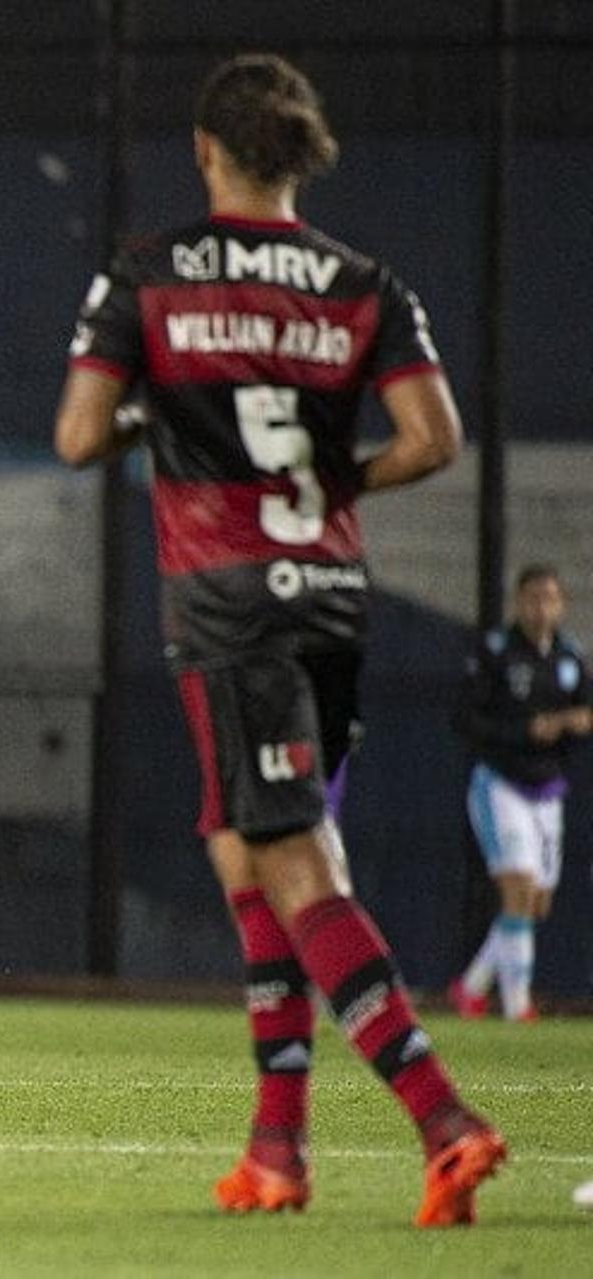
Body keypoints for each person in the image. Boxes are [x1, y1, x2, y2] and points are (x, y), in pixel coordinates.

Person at [53, 53, 504, 1227]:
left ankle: (444, 1121)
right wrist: (324, 474)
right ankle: (277, 1151)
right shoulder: (364, 283)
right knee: (244, 848)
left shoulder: (146, 275)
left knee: (295, 864)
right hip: (330, 597)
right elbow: (436, 438)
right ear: (295, 156)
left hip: (228, 601)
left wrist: (168, 421)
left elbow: (77, 436)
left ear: (206, 151)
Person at [449, 564, 592, 1021]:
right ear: (518, 601)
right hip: (501, 785)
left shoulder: (570, 658)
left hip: (548, 790)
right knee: (518, 890)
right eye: (532, 598)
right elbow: (467, 721)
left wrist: (573, 723)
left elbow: (584, 712)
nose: (540, 607)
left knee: (536, 904)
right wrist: (526, 730)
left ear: (561, 604)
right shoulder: (495, 653)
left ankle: (471, 988)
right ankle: (517, 1007)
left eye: (549, 598)